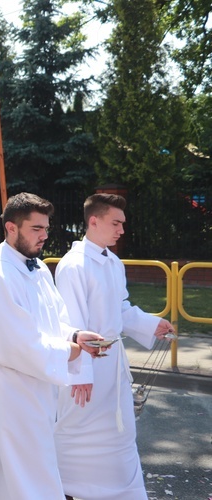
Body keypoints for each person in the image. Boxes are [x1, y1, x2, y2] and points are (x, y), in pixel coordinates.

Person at [0, 192, 103, 498]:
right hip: (11, 387)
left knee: (9, 466)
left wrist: (74, 336)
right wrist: (71, 351)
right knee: (32, 469)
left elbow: (54, 320)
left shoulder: (39, 268)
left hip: (37, 385)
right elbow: (17, 344)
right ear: (11, 228)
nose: (44, 236)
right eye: (36, 229)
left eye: (46, 228)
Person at [54, 193, 175, 500]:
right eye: (116, 222)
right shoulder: (73, 265)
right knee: (77, 432)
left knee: (119, 432)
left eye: (122, 223)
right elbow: (71, 325)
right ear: (93, 221)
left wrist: (151, 324)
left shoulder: (114, 262)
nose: (122, 229)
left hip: (113, 366)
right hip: (87, 367)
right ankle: (66, 489)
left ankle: (124, 493)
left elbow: (120, 309)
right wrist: (80, 372)